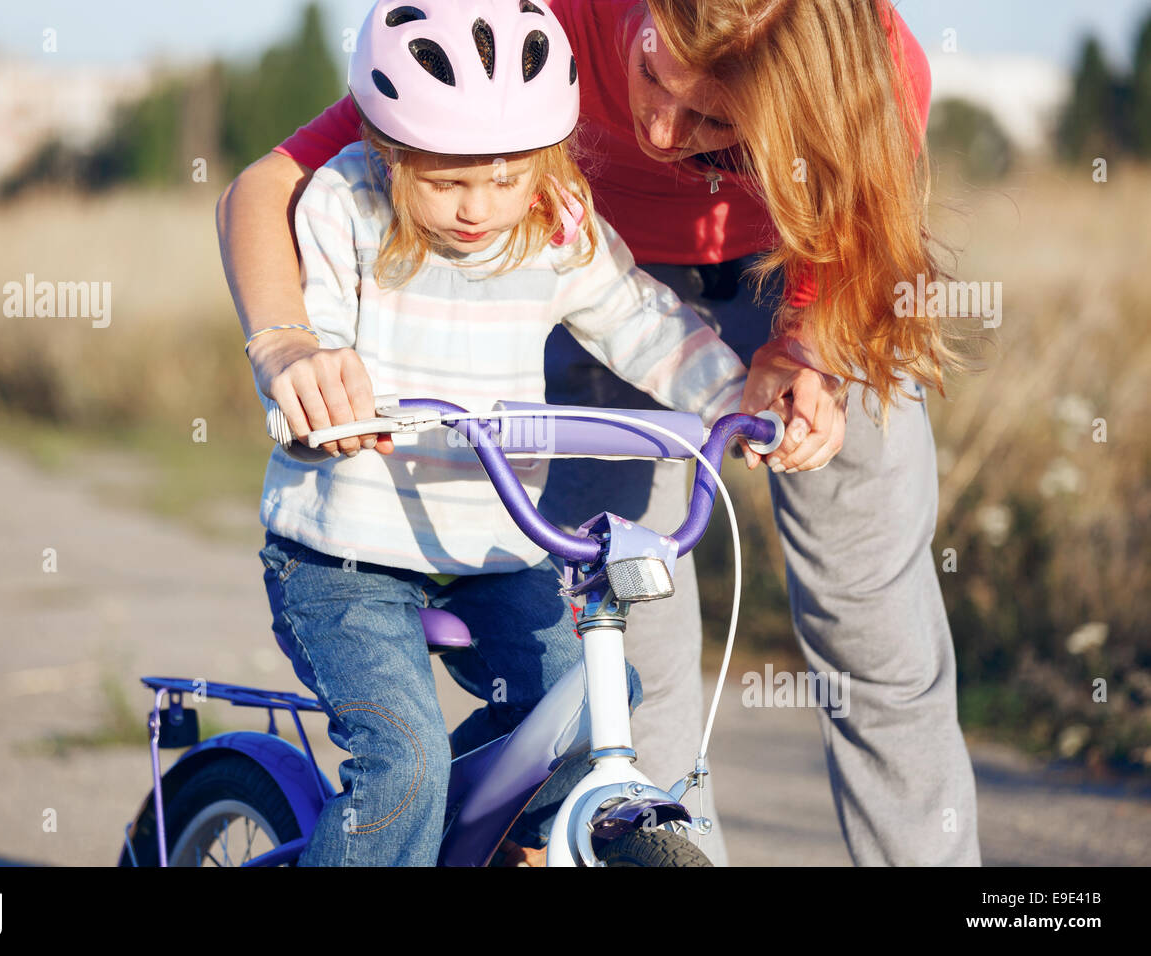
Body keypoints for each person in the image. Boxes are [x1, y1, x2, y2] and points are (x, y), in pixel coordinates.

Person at [219, 0, 981, 866]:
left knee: (875, 633)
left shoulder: (865, 75)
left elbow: (850, 237)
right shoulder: (513, 42)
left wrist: (804, 347)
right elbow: (279, 185)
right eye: (655, 76)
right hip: (592, 282)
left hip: (786, 275)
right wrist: (289, 347)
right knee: (631, 670)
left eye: (715, 122)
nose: (662, 130)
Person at [249, 0, 752, 866]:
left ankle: (428, 835)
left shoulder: (554, 220)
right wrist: (314, 403)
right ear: (388, 148)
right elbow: (315, 340)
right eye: (446, 183)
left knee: (597, 711)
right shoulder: (344, 205)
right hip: (346, 557)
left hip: (494, 549)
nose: (479, 207)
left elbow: (637, 318)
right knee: (402, 764)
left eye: (507, 178)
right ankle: (402, 817)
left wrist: (732, 396)